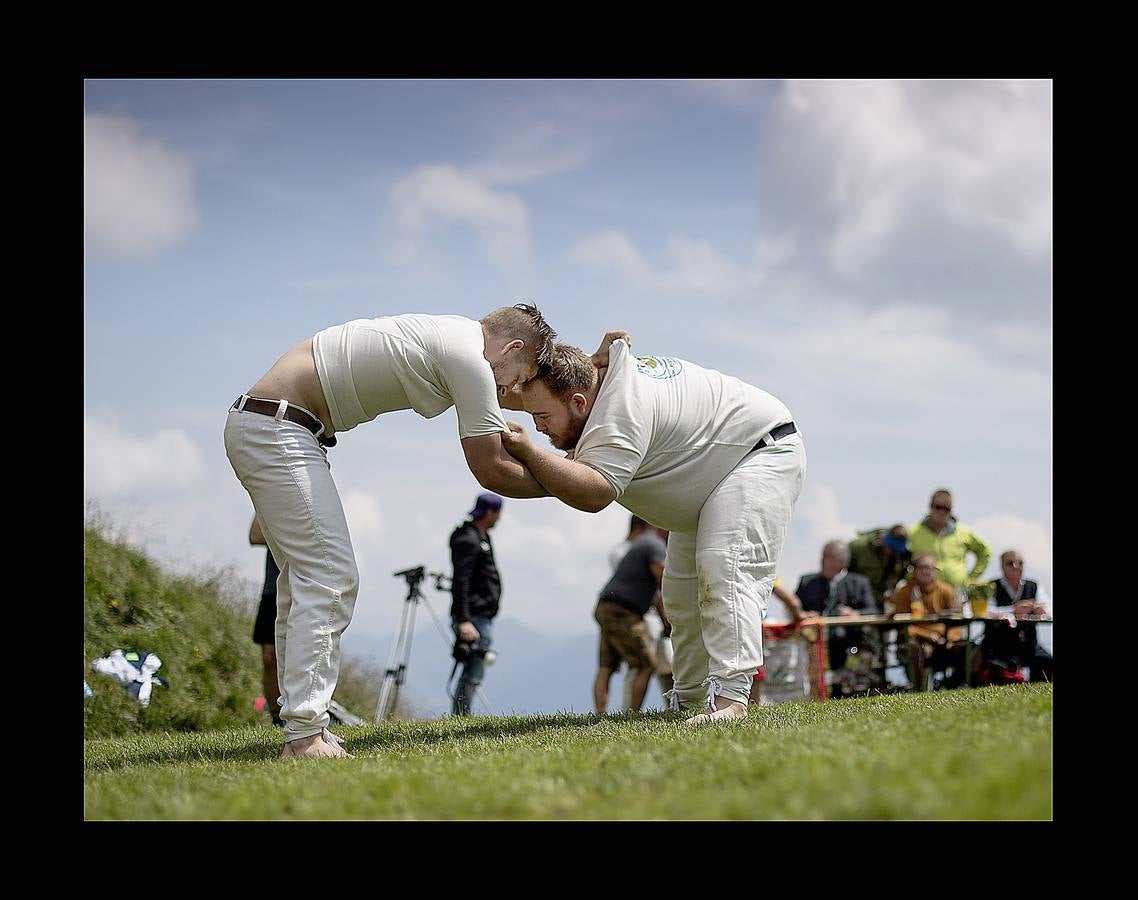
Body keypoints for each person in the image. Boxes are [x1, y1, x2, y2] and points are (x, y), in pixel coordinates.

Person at [224, 304, 560, 759]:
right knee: (329, 575)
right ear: (513, 347)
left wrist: (591, 377)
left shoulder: (456, 339)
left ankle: (304, 726)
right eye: (521, 373)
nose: (513, 387)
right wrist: (573, 482)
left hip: (271, 423)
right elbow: (492, 468)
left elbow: (508, 399)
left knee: (301, 582)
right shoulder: (470, 357)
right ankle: (303, 735)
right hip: (278, 428)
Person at [502, 340, 807, 725]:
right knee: (680, 592)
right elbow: (530, 396)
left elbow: (592, 493)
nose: (538, 426)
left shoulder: (620, 415)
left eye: (542, 416)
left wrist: (530, 452)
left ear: (580, 403)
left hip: (757, 453)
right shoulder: (596, 383)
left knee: (724, 568)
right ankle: (692, 698)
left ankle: (732, 700)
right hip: (713, 471)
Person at [594, 522, 670, 713]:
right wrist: (667, 620)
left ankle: (600, 715)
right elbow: (663, 585)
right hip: (625, 611)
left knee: (606, 666)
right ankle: (632, 714)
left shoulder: (641, 544)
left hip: (605, 607)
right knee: (646, 665)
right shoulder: (655, 545)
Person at [795, 540, 880, 694]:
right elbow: (794, 609)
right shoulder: (807, 582)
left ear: (841, 561)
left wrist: (856, 614)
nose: (821, 560)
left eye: (826, 556)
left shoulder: (859, 583)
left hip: (848, 641)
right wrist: (805, 615)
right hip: (813, 641)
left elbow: (873, 610)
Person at [449, 492, 505, 715]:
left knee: (474, 671)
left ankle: (462, 713)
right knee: (472, 672)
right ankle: (461, 715)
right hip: (473, 618)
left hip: (482, 615)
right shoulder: (468, 539)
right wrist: (463, 620)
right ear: (490, 513)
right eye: (498, 514)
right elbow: (460, 581)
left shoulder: (481, 537)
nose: (499, 519)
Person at [611, 515, 674, 705]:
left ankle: (672, 703)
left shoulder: (643, 547)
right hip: (640, 616)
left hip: (649, 615)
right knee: (641, 664)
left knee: (665, 664)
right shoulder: (638, 549)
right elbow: (658, 586)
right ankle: (630, 709)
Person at [892, 553, 966, 691]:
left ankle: (951, 686)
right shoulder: (904, 592)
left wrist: (949, 639)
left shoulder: (947, 590)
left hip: (944, 640)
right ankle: (918, 690)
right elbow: (902, 625)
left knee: (969, 649)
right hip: (916, 640)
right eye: (922, 567)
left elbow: (958, 621)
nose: (926, 571)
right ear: (914, 570)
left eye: (930, 568)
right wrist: (927, 636)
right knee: (912, 648)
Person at [979, 549, 1053, 683]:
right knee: (999, 669)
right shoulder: (991, 586)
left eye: (1020, 563)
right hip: (998, 646)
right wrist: (1013, 610)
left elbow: (1049, 608)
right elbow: (985, 611)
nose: (1016, 566)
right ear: (1002, 567)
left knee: (1047, 662)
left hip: (1028, 645)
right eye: (1010, 563)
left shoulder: (1033, 586)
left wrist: (1041, 610)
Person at [909, 489, 992, 597]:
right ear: (930, 507)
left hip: (958, 595)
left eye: (946, 509)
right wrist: (909, 577)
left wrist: (971, 578)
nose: (941, 512)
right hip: (925, 596)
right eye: (938, 507)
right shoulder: (913, 532)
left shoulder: (964, 532)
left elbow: (985, 552)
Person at [248, 516, 283, 726]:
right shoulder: (272, 489)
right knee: (269, 656)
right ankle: (277, 718)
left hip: (303, 586)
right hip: (273, 588)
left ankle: (303, 713)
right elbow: (255, 535)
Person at [847, 525, 912, 612]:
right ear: (884, 541)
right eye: (892, 550)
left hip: (882, 606)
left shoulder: (903, 556)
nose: (894, 554)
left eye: (898, 552)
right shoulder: (859, 547)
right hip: (856, 606)